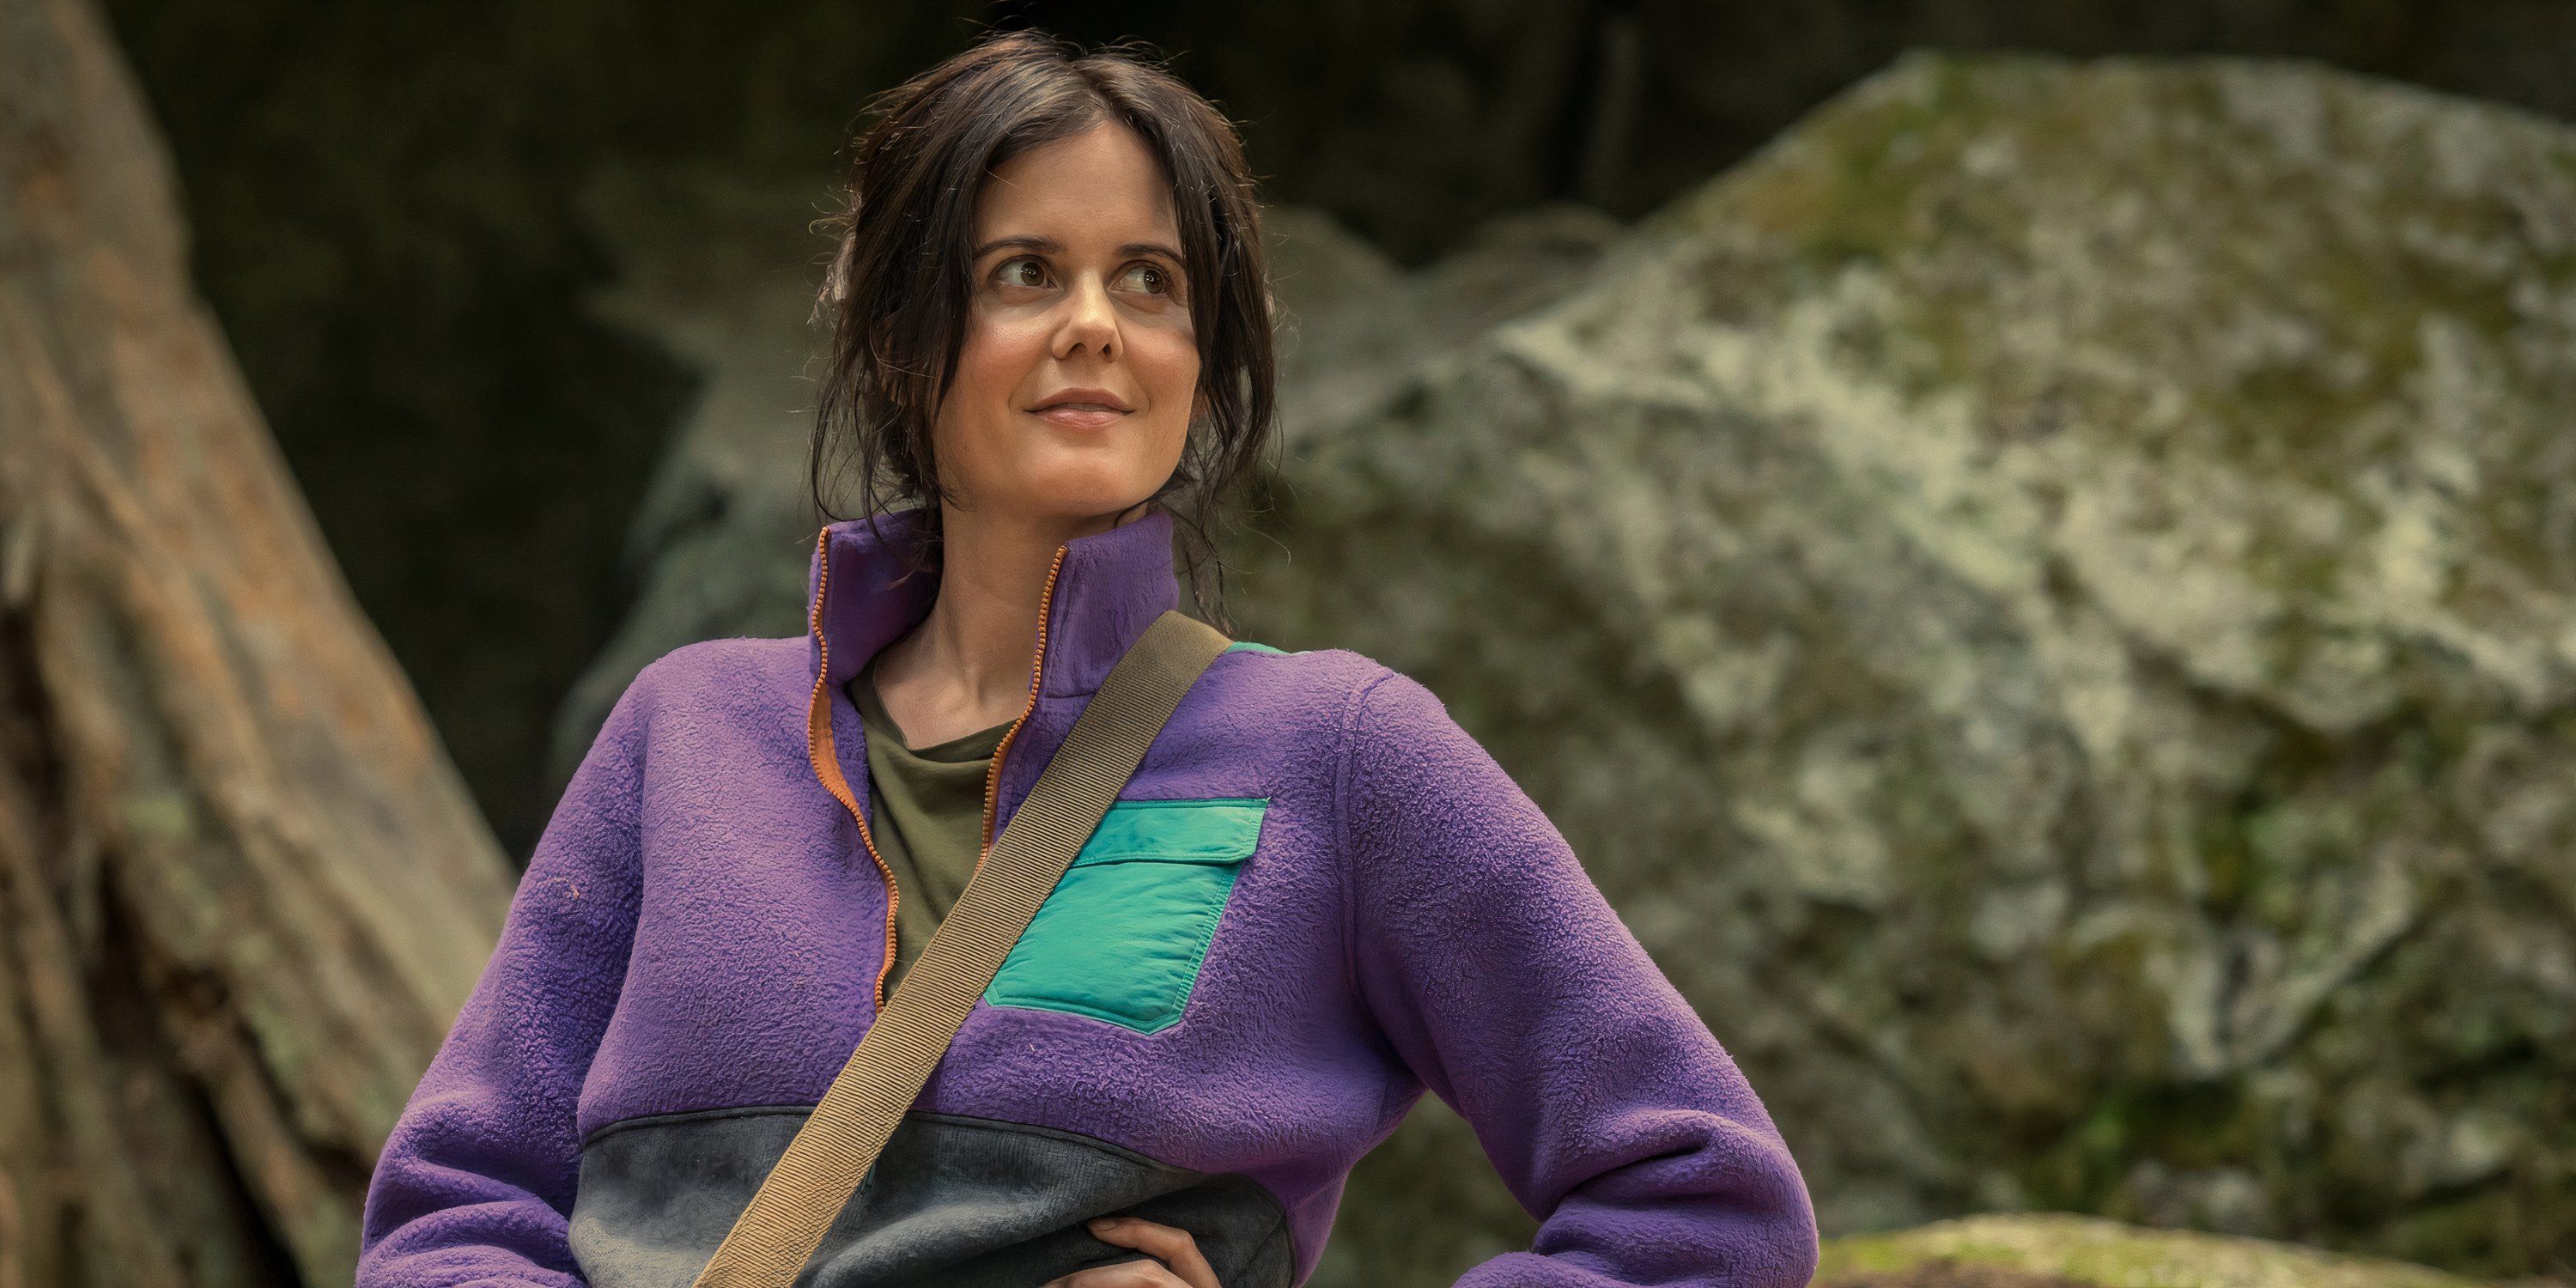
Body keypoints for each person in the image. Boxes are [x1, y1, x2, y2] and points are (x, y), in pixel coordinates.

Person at [355, 27, 1819, 1288]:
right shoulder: (688, 733)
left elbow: (1705, 1205)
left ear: (1205, 353)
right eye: (1023, 272)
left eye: (1151, 282)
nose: (1095, 328)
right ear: (898, 339)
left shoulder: (1341, 753)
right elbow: (453, 1207)